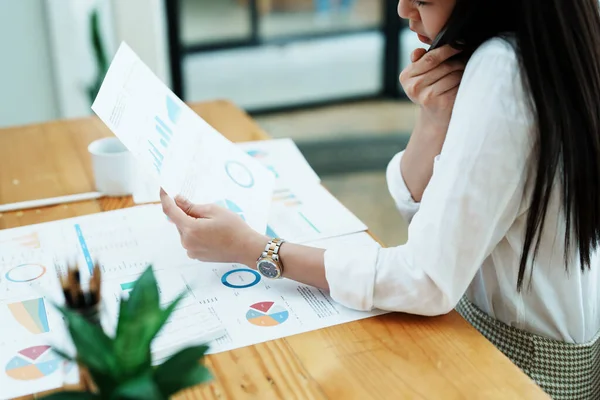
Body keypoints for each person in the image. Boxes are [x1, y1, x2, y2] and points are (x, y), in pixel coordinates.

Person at [161, 0, 600, 397]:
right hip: (536, 349)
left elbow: (425, 279)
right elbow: (426, 215)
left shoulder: (502, 68)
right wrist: (434, 120)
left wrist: (256, 249)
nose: (404, 10)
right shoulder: (558, 43)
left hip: (520, 370)